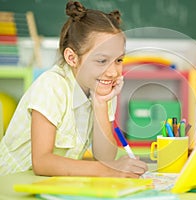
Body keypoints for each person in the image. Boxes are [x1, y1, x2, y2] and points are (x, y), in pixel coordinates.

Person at [0, 1, 148, 177]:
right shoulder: (51, 86)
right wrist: (107, 170)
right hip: (12, 181)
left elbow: (105, 158)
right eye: (102, 61)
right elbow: (42, 162)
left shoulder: (102, 87)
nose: (113, 72)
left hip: (51, 185)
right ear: (72, 58)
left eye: (119, 60)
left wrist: (100, 104)